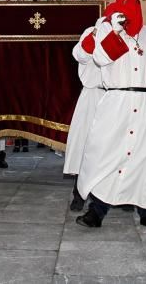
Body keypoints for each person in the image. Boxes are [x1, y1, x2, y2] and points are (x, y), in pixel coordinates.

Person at [74, 0, 146, 232]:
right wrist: (117, 32)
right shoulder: (109, 31)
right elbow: (101, 58)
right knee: (106, 155)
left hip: (145, 105)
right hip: (116, 102)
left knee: (144, 159)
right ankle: (96, 211)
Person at [63, 19, 105, 210]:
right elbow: (80, 55)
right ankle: (79, 193)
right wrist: (96, 33)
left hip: (118, 94)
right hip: (93, 94)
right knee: (84, 146)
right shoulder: (92, 31)